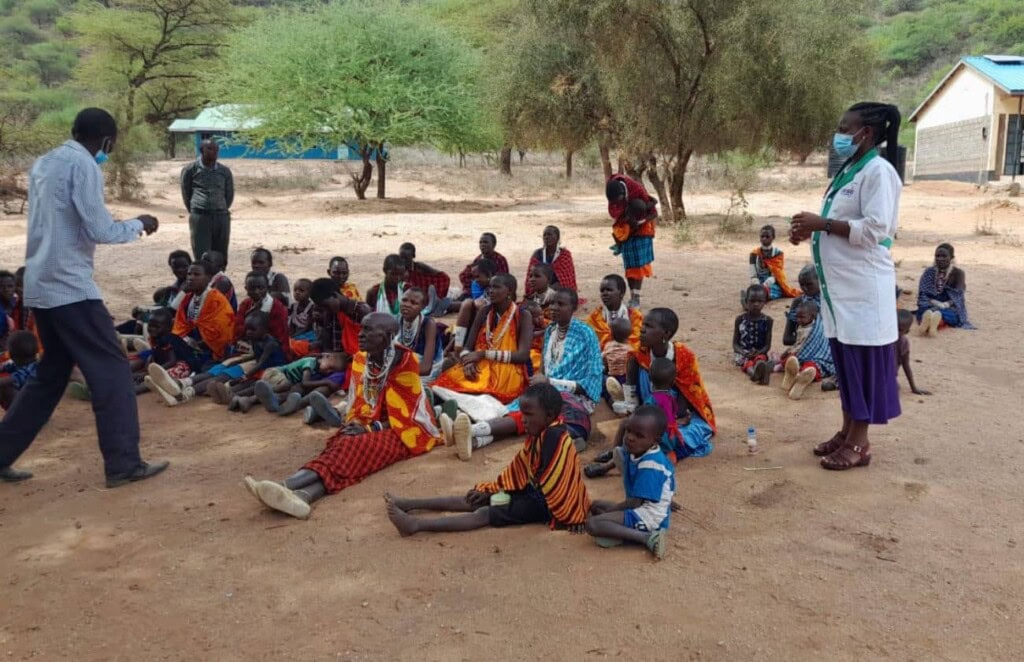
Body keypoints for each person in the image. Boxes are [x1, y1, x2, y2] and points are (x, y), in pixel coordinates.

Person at [0, 107, 167, 486]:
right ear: (107, 140)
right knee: (112, 371)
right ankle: (124, 463)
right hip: (70, 287)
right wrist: (139, 223)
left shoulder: (44, 162)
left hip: (41, 284)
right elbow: (100, 228)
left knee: (50, 375)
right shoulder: (85, 166)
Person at [790, 101, 904, 470]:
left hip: (863, 290)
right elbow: (839, 222)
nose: (838, 137)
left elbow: (875, 229)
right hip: (841, 293)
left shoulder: (878, 172)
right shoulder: (850, 170)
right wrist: (810, 228)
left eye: (844, 129)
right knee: (847, 364)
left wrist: (822, 224)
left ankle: (860, 442)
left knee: (864, 365)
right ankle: (846, 430)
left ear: (865, 133)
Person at [242, 313, 441, 520]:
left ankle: (285, 485)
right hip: (368, 422)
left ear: (388, 336)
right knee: (343, 445)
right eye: (362, 329)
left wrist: (369, 429)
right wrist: (359, 424)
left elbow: (408, 414)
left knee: (352, 448)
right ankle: (303, 497)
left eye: (368, 330)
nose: (361, 335)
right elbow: (360, 404)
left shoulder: (405, 362)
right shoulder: (361, 359)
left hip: (403, 431)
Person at [384, 383, 590, 536]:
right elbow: (522, 469)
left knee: (483, 512)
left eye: (528, 414)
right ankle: (409, 503)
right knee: (475, 498)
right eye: (522, 413)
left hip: (545, 506)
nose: (523, 419)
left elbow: (561, 486)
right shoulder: (545, 432)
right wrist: (496, 490)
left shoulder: (554, 436)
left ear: (549, 415)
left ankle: (416, 525)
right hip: (534, 494)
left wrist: (573, 516)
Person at [443, 288, 602, 460]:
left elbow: (592, 381)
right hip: (549, 390)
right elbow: (545, 367)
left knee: (530, 411)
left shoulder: (586, 333)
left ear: (574, 307)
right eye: (552, 303)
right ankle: (473, 442)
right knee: (523, 410)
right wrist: (541, 381)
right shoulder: (550, 330)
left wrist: (550, 382)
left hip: (575, 399)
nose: (554, 308)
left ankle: (471, 430)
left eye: (561, 304)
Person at [610, 308, 716, 458]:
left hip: (678, 415)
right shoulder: (639, 354)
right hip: (649, 408)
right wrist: (635, 411)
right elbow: (632, 398)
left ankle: (638, 453)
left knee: (688, 434)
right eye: (643, 325)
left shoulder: (684, 358)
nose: (642, 330)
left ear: (666, 334)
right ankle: (618, 454)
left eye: (649, 326)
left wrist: (662, 422)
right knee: (639, 432)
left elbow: (684, 403)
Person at [147, 310, 287, 407]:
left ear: (265, 329)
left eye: (252, 329)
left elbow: (261, 362)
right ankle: (180, 384)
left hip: (267, 370)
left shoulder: (270, 344)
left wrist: (244, 376)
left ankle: (183, 395)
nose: (248, 332)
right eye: (247, 329)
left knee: (221, 377)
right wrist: (235, 361)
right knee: (218, 370)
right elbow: (256, 357)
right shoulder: (256, 338)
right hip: (255, 365)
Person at [586, 405, 672, 559]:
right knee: (596, 506)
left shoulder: (651, 464)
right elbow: (617, 450)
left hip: (649, 517)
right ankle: (621, 532)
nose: (630, 437)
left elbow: (634, 503)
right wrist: (623, 426)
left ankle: (648, 538)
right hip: (640, 509)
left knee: (593, 524)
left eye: (639, 435)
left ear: (655, 440)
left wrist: (611, 512)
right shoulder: (639, 450)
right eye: (629, 431)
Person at [432, 273, 532, 404]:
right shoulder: (485, 311)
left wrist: (483, 354)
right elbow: (467, 346)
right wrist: (468, 361)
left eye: (496, 287)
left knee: (480, 393)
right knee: (442, 384)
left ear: (510, 291)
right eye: (489, 287)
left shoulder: (523, 315)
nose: (490, 291)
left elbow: (523, 356)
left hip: (508, 370)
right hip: (480, 365)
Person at [606, 175, 658, 308]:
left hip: (642, 230)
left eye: (619, 200)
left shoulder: (637, 189)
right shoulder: (613, 192)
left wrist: (640, 221)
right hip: (626, 230)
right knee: (630, 266)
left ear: (624, 193)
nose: (616, 203)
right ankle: (632, 294)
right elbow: (615, 213)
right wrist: (627, 221)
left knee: (639, 266)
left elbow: (654, 212)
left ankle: (636, 297)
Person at [171, 261, 236, 365]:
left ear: (209, 278)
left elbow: (221, 332)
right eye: (189, 274)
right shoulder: (189, 297)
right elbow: (181, 323)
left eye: (196, 274)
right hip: (192, 342)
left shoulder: (216, 300)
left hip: (211, 349)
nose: (191, 278)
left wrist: (192, 344)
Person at [181, 139, 233, 265]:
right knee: (202, 253)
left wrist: (221, 208)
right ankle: (203, 281)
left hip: (221, 217)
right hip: (200, 216)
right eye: (210, 149)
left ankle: (220, 281)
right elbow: (186, 192)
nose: (214, 152)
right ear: (201, 150)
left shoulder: (224, 171)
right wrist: (196, 210)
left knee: (221, 254)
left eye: (216, 149)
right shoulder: (190, 170)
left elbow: (229, 194)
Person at [249, 352, 347, 417]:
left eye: (331, 371)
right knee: (287, 385)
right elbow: (305, 382)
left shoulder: (317, 370)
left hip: (280, 381)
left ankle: (251, 400)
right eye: (330, 367)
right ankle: (268, 393)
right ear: (327, 357)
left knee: (288, 390)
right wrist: (327, 382)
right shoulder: (310, 362)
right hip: (274, 373)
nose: (328, 371)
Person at [779, 299, 834, 400]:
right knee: (791, 359)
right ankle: (793, 374)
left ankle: (802, 378)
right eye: (797, 317)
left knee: (812, 366)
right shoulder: (802, 326)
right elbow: (798, 343)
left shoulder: (817, 328)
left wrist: (790, 351)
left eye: (802, 317)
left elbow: (803, 345)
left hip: (817, 357)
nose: (799, 320)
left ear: (813, 317)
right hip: (801, 355)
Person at [915, 243, 973, 334]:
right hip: (930, 304)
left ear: (951, 257)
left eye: (944, 256)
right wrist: (934, 303)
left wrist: (945, 304)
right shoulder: (929, 272)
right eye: (937, 256)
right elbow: (923, 294)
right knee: (924, 310)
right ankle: (933, 322)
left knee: (954, 315)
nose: (940, 259)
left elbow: (958, 296)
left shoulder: (958, 273)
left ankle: (932, 322)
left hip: (949, 306)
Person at [234, 271, 290, 355]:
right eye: (252, 288)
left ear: (268, 288)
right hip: (246, 348)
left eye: (261, 288)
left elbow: (279, 338)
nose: (256, 292)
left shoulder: (277, 308)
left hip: (271, 353)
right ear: (246, 289)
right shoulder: (245, 304)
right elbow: (237, 330)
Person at [449, 258, 497, 354]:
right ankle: (458, 346)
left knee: (467, 304)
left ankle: (459, 346)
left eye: (478, 276)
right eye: (473, 277)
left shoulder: (500, 285)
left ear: (489, 274)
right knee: (467, 303)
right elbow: (479, 303)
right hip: (479, 318)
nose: (475, 280)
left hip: (495, 320)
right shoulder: (477, 284)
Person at [397, 287, 443, 385]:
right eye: (404, 300)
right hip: (404, 368)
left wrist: (398, 372)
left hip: (425, 372)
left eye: (414, 303)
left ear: (422, 307)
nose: (407, 305)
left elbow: (426, 368)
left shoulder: (428, 324)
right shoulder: (397, 320)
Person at [587, 274, 643, 351]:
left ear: (621, 293)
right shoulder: (594, 318)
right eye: (602, 290)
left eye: (609, 290)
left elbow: (638, 342)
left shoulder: (635, 317)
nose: (604, 293)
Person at [733, 285, 774, 385]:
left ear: (765, 302)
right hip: (743, 353)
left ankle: (761, 370)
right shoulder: (740, 320)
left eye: (760, 301)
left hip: (759, 352)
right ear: (746, 301)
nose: (756, 304)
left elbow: (767, 346)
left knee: (761, 359)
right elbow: (735, 345)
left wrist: (759, 352)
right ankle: (755, 374)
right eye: (752, 301)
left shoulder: (768, 321)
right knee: (747, 363)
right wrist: (744, 353)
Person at [748, 224, 800, 302]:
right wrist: (756, 283)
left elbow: (776, 275)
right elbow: (753, 274)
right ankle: (753, 298)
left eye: (767, 236)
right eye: (762, 236)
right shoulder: (754, 254)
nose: (764, 239)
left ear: (773, 238)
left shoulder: (778, 253)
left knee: (773, 291)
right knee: (753, 290)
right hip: (758, 281)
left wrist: (765, 285)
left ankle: (758, 297)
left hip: (772, 282)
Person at [524, 226, 578, 297]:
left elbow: (567, 280)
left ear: (557, 237)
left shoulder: (565, 255)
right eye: (544, 235)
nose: (546, 237)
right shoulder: (537, 254)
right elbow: (530, 276)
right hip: (540, 287)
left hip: (558, 288)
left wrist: (551, 289)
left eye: (549, 234)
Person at [457, 232, 508, 298]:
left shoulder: (500, 260)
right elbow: (463, 275)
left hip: (493, 293)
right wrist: (475, 284)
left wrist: (486, 282)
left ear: (494, 244)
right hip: (475, 291)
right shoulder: (478, 259)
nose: (482, 244)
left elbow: (504, 280)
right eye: (480, 242)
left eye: (485, 242)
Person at [782, 265, 821, 345]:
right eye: (802, 285)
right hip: (803, 349)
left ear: (820, 281)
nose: (805, 288)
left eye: (809, 284)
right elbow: (787, 338)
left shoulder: (829, 303)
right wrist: (804, 338)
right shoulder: (798, 302)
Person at [0, 331, 39, 410]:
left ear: (11, 354)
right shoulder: (19, 363)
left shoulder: (31, 368)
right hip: (31, 401)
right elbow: (3, 367)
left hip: (33, 405)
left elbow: (12, 379)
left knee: (5, 386)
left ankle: (19, 414)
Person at [896, 309, 930, 395]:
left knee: (894, 390)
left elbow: (906, 366)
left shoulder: (903, 344)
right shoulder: (883, 340)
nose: (895, 331)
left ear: (907, 331)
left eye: (899, 330)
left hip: (889, 377)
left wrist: (914, 388)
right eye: (894, 327)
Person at [602, 317, 633, 393]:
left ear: (611, 334)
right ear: (629, 334)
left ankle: (611, 395)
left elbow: (603, 360)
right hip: (625, 378)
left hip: (612, 377)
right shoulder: (630, 349)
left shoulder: (608, 346)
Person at [0, 270, 17, 353]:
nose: (6, 289)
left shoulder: (18, 303)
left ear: (15, 287)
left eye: (10, 286)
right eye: (1, 286)